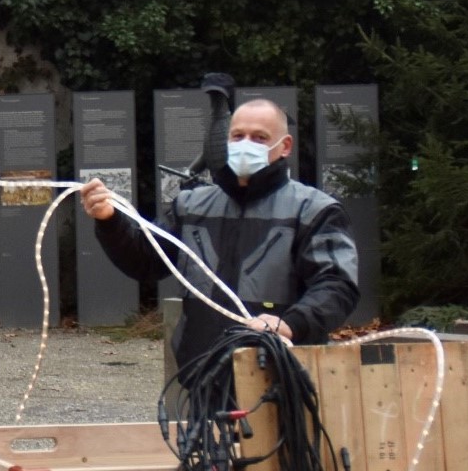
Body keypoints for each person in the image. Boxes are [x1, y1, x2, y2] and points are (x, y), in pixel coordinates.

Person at [80, 97, 358, 370]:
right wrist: (110, 220)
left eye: (259, 138)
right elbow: (146, 261)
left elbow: (336, 285)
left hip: (281, 370)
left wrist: (290, 323)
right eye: (237, 136)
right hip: (202, 372)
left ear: (284, 146)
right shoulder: (191, 205)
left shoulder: (314, 210)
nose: (245, 144)